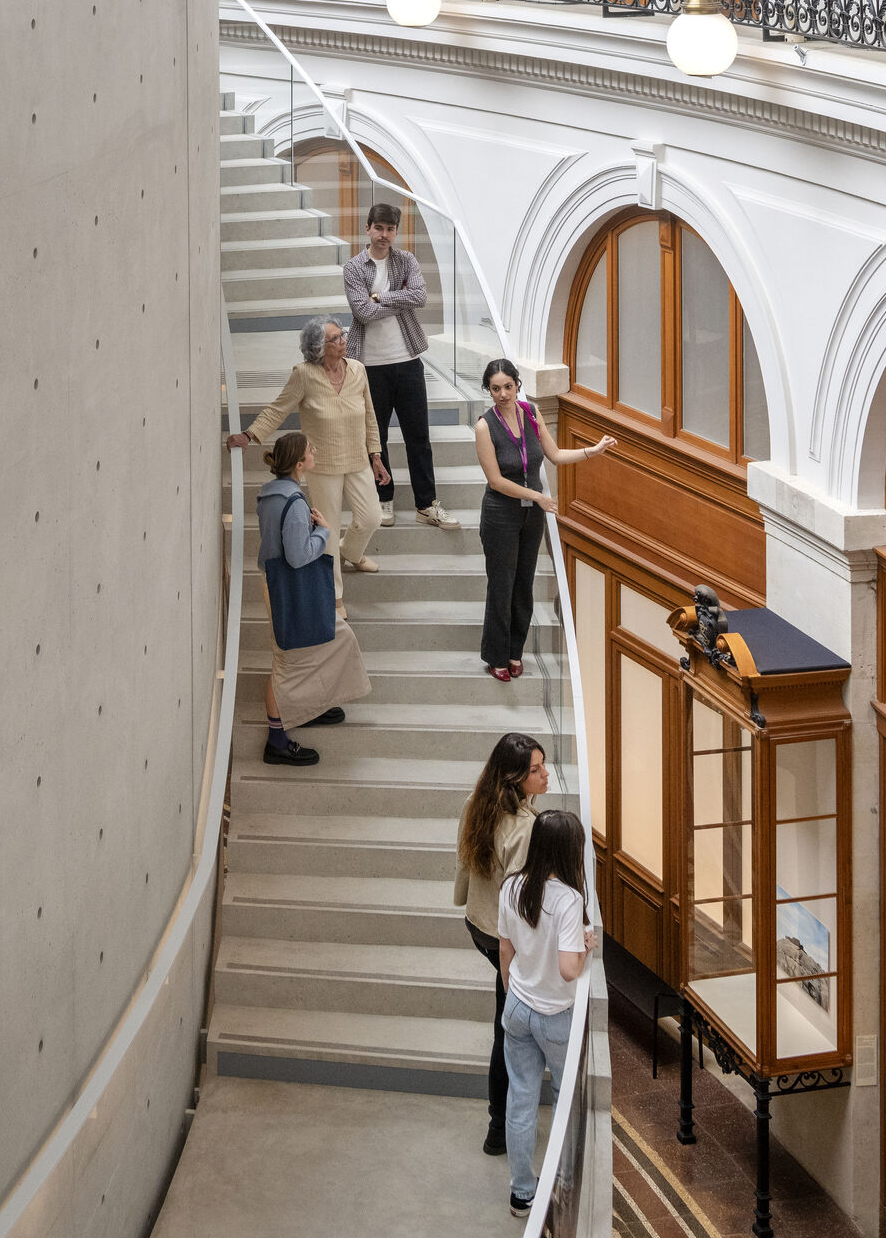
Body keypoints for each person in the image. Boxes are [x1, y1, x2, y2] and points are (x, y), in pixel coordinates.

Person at [228, 317, 391, 609]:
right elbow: (279, 408)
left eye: (342, 335)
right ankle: (335, 596)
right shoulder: (304, 374)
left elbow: (370, 416)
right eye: (335, 338)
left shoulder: (358, 370)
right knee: (326, 531)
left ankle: (351, 551)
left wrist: (376, 456)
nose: (343, 341)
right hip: (323, 464)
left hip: (357, 459)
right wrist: (249, 434)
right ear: (318, 347)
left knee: (371, 518)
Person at [474, 358, 617, 681]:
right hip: (501, 513)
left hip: (531, 514)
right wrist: (537, 496)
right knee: (502, 585)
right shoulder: (485, 426)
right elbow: (495, 480)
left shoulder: (530, 413)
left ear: (517, 385)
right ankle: (495, 655)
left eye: (508, 387)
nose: (502, 394)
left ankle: (514, 651)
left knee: (524, 582)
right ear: (489, 390)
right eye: (495, 389)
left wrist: (591, 452)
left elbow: (553, 455)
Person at [498, 809, 599, 1218]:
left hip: (518, 1006)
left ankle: (522, 1192)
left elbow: (505, 949)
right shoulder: (570, 900)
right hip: (556, 1015)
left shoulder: (511, 887)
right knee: (563, 1098)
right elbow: (568, 969)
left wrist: (513, 992)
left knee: (520, 1097)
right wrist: (586, 946)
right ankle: (564, 1184)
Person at [454, 734, 550, 1156]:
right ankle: (499, 1128)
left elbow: (465, 863)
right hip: (500, 938)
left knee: (506, 1025)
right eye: (535, 770)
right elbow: (516, 904)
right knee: (507, 1032)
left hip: (478, 923)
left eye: (543, 765)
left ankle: (503, 1121)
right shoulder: (527, 829)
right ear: (514, 778)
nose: (545, 774)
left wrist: (467, 901)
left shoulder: (478, 803)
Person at [253, 432, 372, 765]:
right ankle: (276, 741)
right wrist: (322, 531)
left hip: (280, 586)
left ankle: (309, 706)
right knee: (287, 663)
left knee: (338, 637)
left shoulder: (272, 494)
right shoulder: (293, 501)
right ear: (300, 463)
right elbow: (298, 556)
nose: (315, 451)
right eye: (310, 449)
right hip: (290, 589)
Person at [343, 202, 460, 533]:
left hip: (408, 362)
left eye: (390, 229)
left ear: (396, 232)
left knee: (418, 437)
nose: (384, 235)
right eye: (378, 228)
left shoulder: (406, 260)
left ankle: (426, 504)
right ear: (368, 229)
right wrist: (396, 297)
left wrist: (380, 298)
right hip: (370, 367)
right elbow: (362, 313)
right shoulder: (354, 268)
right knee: (375, 438)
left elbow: (420, 297)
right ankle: (384, 499)